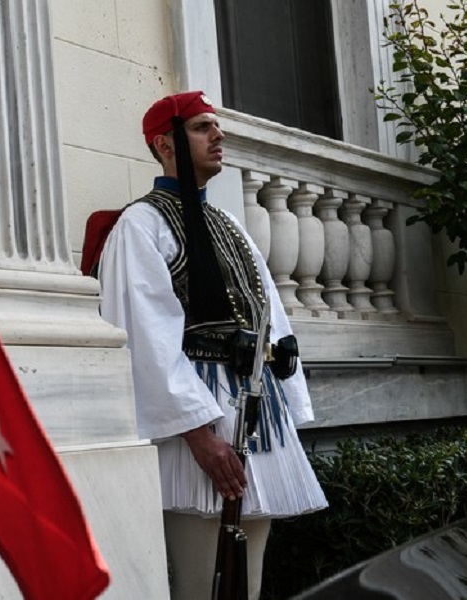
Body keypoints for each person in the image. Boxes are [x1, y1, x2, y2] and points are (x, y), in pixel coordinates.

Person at [97, 91, 328, 599]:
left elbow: (272, 321)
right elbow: (144, 337)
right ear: (165, 144)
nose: (218, 136)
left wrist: (288, 410)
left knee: (249, 582)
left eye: (214, 127)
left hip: (255, 417)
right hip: (197, 422)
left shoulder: (230, 226)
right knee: (202, 583)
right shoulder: (141, 225)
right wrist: (200, 437)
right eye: (202, 127)